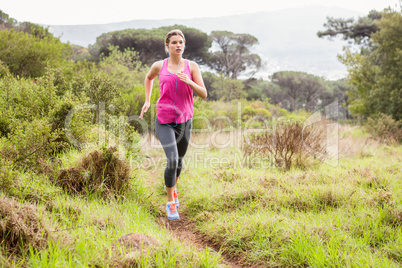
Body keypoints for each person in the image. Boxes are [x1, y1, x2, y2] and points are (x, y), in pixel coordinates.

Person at [139, 29, 207, 220]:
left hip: (185, 120)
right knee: (173, 159)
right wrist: (147, 100)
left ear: (184, 45)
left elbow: (203, 94)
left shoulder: (191, 67)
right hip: (164, 120)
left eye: (181, 42)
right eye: (174, 42)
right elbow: (148, 78)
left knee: (180, 161)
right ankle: (171, 202)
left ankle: (172, 187)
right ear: (167, 46)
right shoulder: (159, 66)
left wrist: (190, 83)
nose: (178, 45)